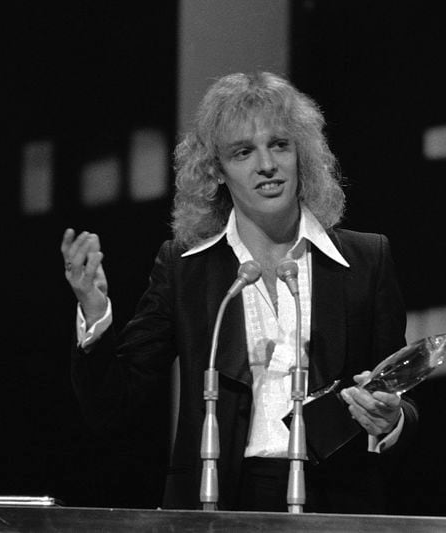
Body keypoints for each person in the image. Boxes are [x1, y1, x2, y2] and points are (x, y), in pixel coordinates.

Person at [61, 71, 417, 513]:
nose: (266, 165)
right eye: (244, 152)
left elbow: (400, 394)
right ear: (217, 171)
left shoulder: (367, 260)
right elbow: (116, 406)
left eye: (280, 145)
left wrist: (390, 419)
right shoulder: (185, 267)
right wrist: (95, 314)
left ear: (301, 153)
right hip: (219, 499)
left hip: (337, 504)